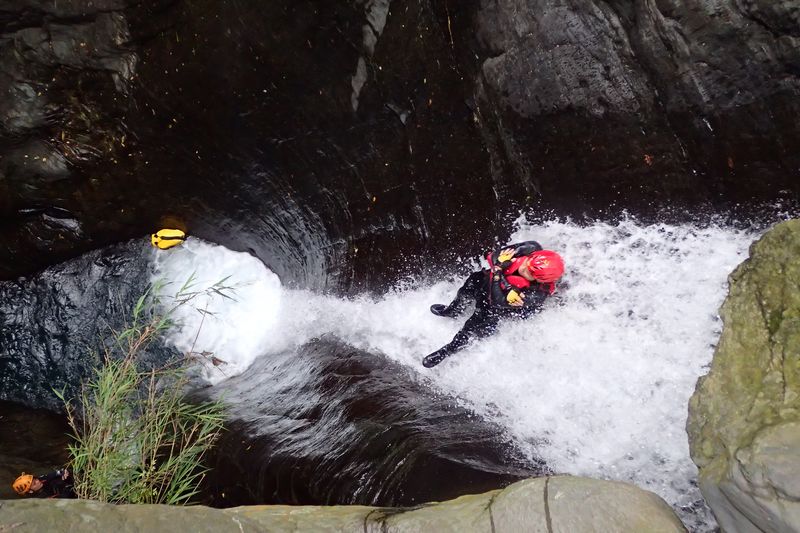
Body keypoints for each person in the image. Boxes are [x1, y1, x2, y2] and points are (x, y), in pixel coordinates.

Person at [423, 240, 564, 368]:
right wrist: (503, 277)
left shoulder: (538, 294)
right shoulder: (532, 248)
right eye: (528, 264)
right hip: (487, 282)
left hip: (498, 307)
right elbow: (494, 256)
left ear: (540, 280)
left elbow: (497, 301)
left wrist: (499, 271)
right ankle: (453, 311)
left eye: (529, 272)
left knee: (472, 328)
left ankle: (446, 351)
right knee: (466, 290)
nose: (523, 269)